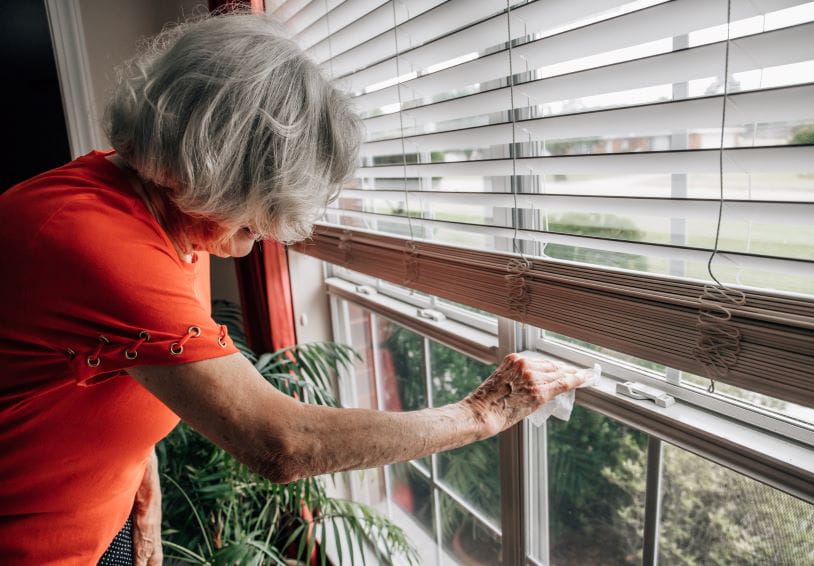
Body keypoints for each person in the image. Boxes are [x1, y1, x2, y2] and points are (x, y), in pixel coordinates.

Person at [0, 12, 585, 565]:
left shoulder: (165, 212)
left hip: (105, 518)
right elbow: (281, 443)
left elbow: (108, 360)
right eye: (258, 205)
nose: (268, 234)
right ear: (206, 164)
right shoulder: (93, 242)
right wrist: (483, 414)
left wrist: (138, 479)